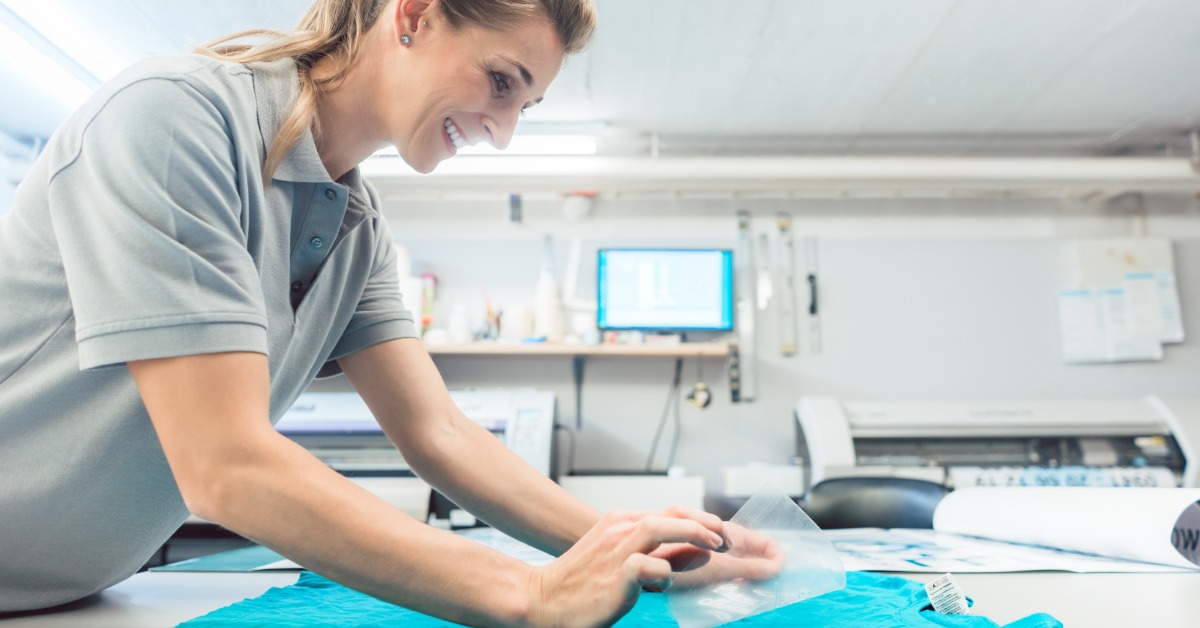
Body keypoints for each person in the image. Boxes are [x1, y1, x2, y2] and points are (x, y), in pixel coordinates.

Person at [0, 0, 780, 623]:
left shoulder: (355, 227)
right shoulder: (174, 120)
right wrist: (528, 594)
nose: (503, 133)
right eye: (501, 81)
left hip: (64, 599)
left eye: (526, 106)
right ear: (413, 15)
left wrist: (627, 544)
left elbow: (439, 434)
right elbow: (224, 464)